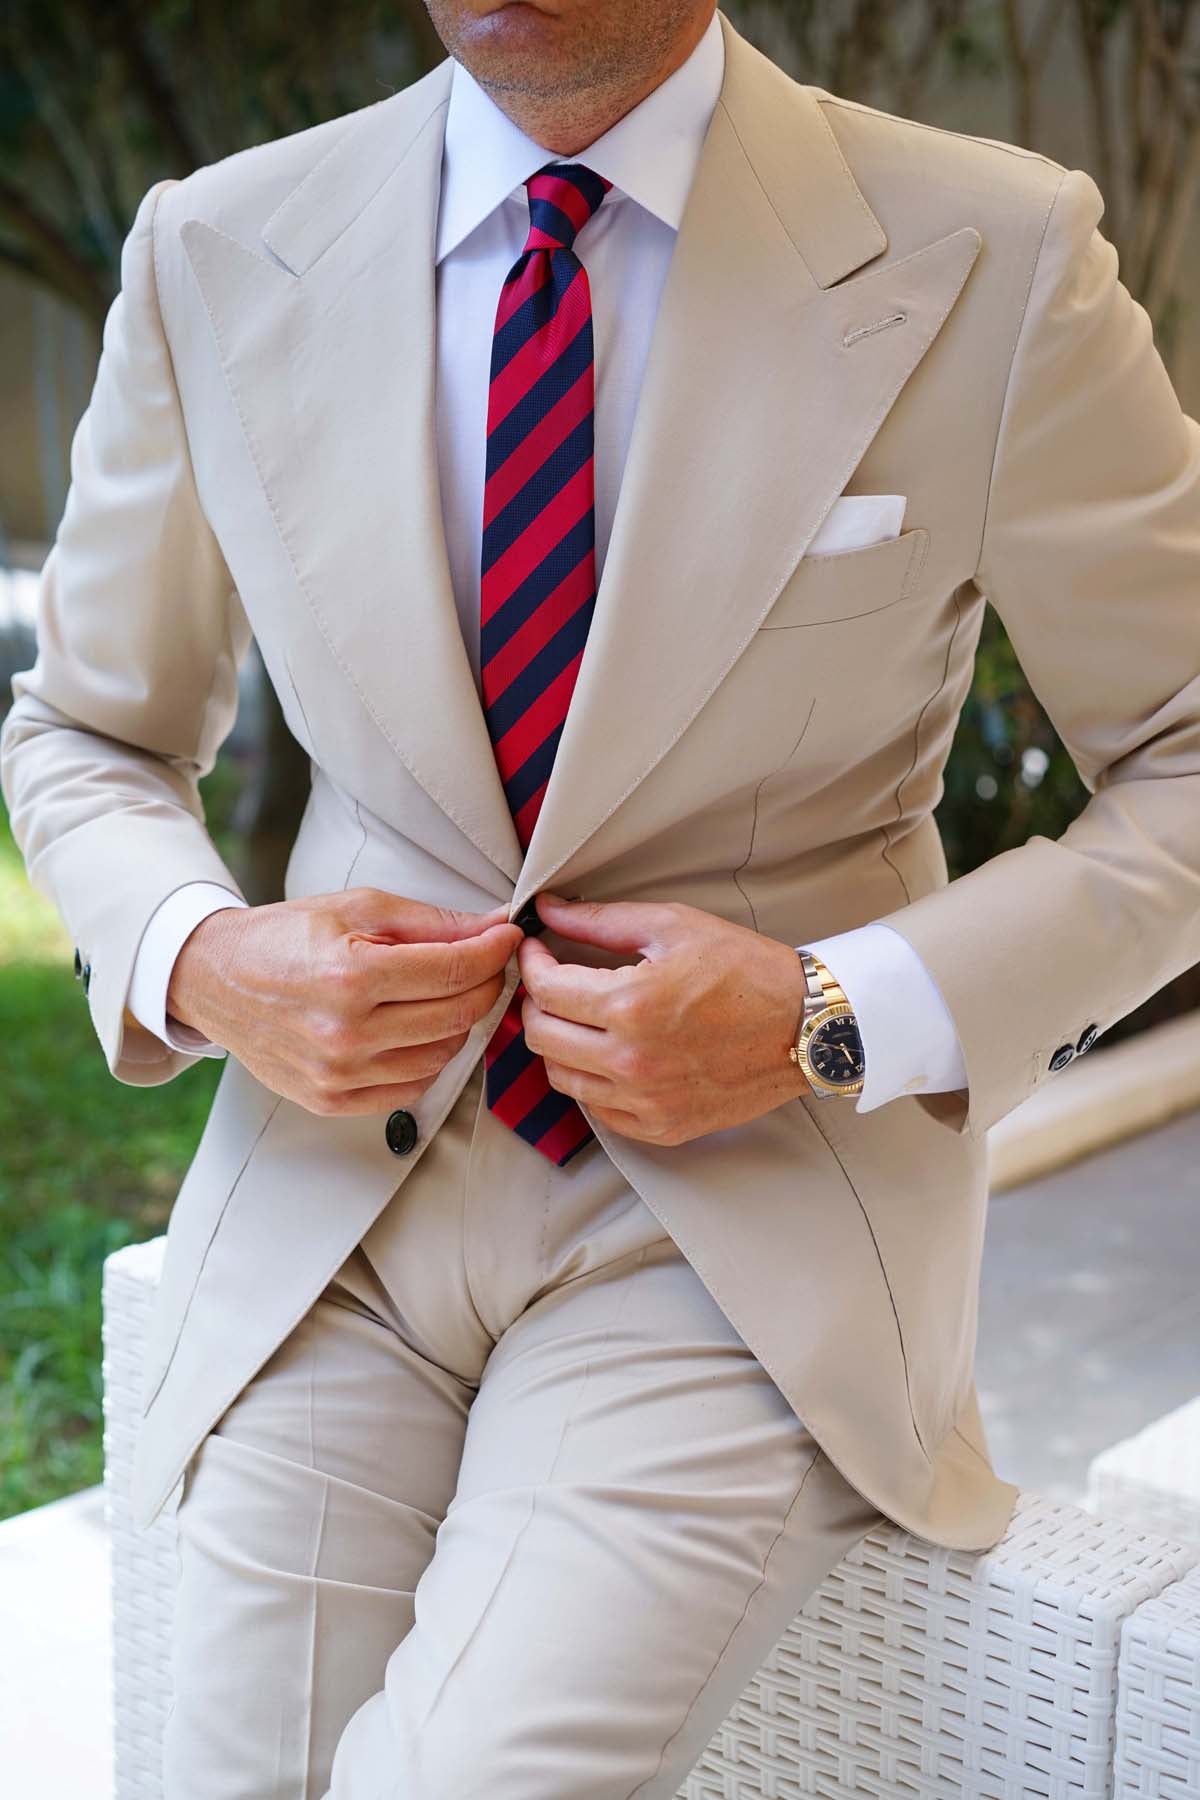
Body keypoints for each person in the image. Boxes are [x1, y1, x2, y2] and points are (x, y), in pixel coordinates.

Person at [4, 0, 1199, 1792]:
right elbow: (88, 731)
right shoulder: (217, 243)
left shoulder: (997, 251)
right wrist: (206, 955)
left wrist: (831, 1010)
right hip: (334, 1205)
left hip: (736, 1222)